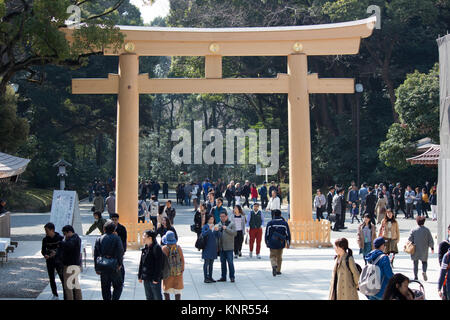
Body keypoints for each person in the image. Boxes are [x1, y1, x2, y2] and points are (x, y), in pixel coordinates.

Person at [94, 220, 124, 300]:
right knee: (118, 286)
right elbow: (120, 251)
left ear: (104, 229)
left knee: (105, 287)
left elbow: (96, 254)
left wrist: (96, 267)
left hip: (103, 265)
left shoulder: (99, 239)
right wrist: (120, 263)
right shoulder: (117, 238)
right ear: (114, 229)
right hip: (114, 265)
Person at [42, 223, 65, 300]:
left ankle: (66, 293)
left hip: (59, 261)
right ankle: (55, 294)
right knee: (51, 278)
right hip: (49, 261)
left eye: (47, 230)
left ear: (52, 230)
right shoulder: (45, 239)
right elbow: (43, 250)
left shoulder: (60, 238)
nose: (46, 232)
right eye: (45, 230)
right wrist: (45, 254)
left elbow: (63, 249)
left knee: (62, 277)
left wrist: (56, 253)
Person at [138, 230, 163, 300]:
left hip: (154, 278)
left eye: (144, 236)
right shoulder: (145, 248)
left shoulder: (157, 248)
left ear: (150, 238)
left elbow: (159, 265)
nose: (143, 238)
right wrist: (140, 275)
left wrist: (156, 278)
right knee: (149, 297)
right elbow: (142, 263)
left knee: (157, 297)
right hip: (146, 277)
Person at [265, 209, 291, 277]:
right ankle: (278, 270)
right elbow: (288, 233)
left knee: (272, 255)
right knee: (279, 257)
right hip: (281, 242)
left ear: (274, 215)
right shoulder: (284, 223)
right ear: (280, 215)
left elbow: (267, 234)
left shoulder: (270, 223)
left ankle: (274, 265)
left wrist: (266, 242)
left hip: (272, 242)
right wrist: (288, 242)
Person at [59, 225, 82, 300]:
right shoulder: (76, 238)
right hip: (75, 265)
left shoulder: (73, 239)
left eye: (65, 234)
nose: (64, 236)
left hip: (70, 266)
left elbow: (69, 245)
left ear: (69, 232)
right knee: (76, 285)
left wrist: (61, 242)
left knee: (68, 287)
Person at [408, 216, 434, 281]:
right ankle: (424, 271)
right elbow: (430, 240)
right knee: (424, 262)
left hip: (415, 249)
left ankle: (416, 276)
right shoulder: (427, 230)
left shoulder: (414, 230)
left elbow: (410, 239)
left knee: (415, 263)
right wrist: (432, 247)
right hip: (424, 249)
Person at [161, 231, 185, 300]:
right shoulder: (178, 248)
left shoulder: (164, 249)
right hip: (178, 274)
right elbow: (182, 261)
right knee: (177, 293)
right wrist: (181, 271)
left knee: (166, 292)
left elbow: (162, 262)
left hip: (168, 275)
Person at [217, 210, 237, 282]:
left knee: (230, 262)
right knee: (223, 263)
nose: (222, 218)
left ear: (226, 216)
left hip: (229, 247)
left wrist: (226, 228)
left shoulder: (231, 224)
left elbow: (234, 233)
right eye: (221, 217)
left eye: (223, 216)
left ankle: (232, 277)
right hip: (222, 247)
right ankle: (223, 277)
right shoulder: (219, 224)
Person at [201, 215, 220, 283]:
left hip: (213, 247)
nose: (211, 220)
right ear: (208, 220)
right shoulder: (205, 226)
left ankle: (210, 277)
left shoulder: (215, 226)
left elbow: (218, 236)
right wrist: (209, 229)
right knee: (206, 263)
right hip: (206, 247)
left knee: (211, 263)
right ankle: (205, 277)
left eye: (212, 219)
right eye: (210, 219)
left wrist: (217, 231)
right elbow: (203, 234)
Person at [110, 213, 127, 281]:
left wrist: (123, 250)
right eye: (112, 220)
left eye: (115, 220)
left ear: (118, 220)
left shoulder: (122, 228)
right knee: (111, 265)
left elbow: (124, 239)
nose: (114, 221)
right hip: (111, 250)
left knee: (120, 265)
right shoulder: (109, 228)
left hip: (119, 249)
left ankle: (121, 279)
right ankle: (112, 279)